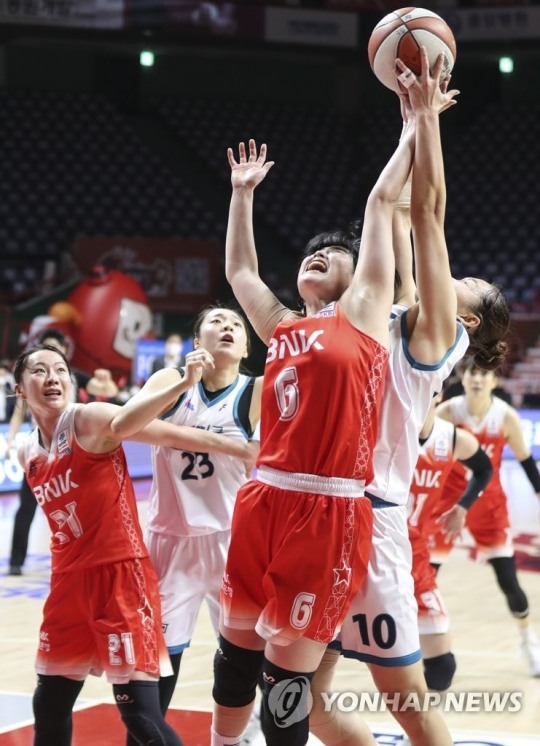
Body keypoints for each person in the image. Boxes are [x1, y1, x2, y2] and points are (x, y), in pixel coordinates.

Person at [308, 50, 510, 746]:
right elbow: (394, 207)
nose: (454, 275)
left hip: (374, 523)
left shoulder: (434, 333)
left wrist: (429, 124)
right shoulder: (399, 309)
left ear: (471, 319)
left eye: (468, 280)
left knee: (407, 703)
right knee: (303, 698)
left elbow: (426, 211)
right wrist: (410, 125)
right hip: (321, 510)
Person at [210, 93, 412, 743]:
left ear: (362, 278)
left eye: (334, 252)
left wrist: (415, 125)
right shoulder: (282, 328)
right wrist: (243, 196)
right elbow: (240, 269)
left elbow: (381, 205)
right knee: (233, 665)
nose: (317, 254)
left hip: (326, 511)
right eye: (312, 251)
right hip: (263, 498)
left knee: (285, 694)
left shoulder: (365, 317)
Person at [12, 342, 259, 745]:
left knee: (141, 717)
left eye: (60, 369)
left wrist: (238, 447)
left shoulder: (89, 418)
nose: (53, 377)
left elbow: (167, 433)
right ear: (20, 388)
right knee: (49, 704)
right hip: (68, 585)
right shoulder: (27, 450)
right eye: (39, 371)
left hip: (120, 577)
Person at [119, 305, 262, 741]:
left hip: (230, 544)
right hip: (170, 544)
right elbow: (123, 427)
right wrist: (186, 382)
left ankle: (251, 730)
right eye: (217, 322)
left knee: (251, 660)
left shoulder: (256, 391)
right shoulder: (170, 382)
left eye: (237, 324)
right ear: (197, 341)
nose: (228, 327)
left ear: (245, 347)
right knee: (158, 667)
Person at [433, 356, 540, 677]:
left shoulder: (505, 416)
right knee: (423, 578)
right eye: (472, 373)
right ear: (462, 378)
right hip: (447, 505)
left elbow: (525, 461)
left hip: (489, 507)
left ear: (495, 382)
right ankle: (415, 647)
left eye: (485, 375)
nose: (478, 380)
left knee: (508, 580)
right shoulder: (448, 412)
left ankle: (527, 640)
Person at [6, 328, 119, 576]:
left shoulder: (72, 375)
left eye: (54, 352)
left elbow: (108, 390)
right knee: (26, 507)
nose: (50, 371)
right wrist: (11, 441)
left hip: (73, 450)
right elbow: (18, 413)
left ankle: (89, 559)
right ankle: (16, 560)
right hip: (41, 452)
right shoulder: (31, 379)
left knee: (82, 508)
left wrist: (107, 380)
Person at [407, 394, 493, 693]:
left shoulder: (451, 437)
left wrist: (463, 506)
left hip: (414, 557)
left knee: (443, 666)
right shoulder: (384, 426)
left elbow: (484, 469)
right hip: (364, 552)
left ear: (438, 391)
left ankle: (416, 735)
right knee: (309, 656)